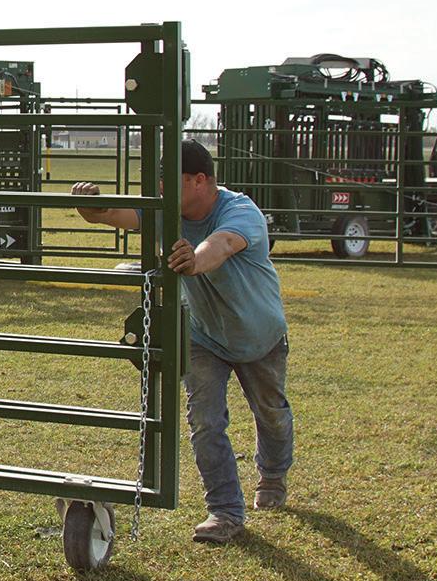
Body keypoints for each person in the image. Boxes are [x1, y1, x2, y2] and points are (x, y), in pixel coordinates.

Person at [74, 138, 292, 544]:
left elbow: (221, 245)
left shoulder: (240, 211)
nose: (160, 187)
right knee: (205, 422)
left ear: (199, 180)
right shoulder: (166, 211)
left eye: (168, 179)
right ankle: (224, 510)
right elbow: (113, 215)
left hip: (259, 336)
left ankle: (273, 475)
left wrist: (194, 259)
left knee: (271, 414)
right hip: (203, 336)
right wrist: (90, 206)